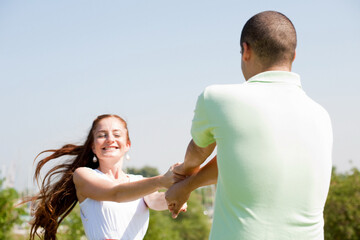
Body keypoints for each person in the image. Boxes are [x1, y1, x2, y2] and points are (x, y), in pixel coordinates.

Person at [166, 11, 333, 240]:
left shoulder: (218, 98)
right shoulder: (321, 116)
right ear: (293, 56)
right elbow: (237, 157)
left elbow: (198, 152)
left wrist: (182, 175)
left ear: (246, 50)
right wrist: (187, 186)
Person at [27, 114, 185, 240]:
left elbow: (156, 200)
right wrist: (161, 180)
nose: (110, 139)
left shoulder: (139, 182)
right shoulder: (83, 175)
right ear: (93, 147)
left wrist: (176, 195)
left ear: (127, 144)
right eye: (102, 135)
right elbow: (115, 193)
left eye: (117, 134)